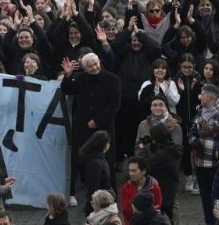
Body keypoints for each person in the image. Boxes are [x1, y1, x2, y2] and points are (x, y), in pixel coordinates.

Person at [61, 53, 121, 205]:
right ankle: (88, 198)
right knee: (82, 160)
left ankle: (110, 196)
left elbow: (114, 105)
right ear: (84, 68)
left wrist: (98, 120)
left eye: (96, 64)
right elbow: (68, 90)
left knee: (107, 161)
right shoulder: (80, 78)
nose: (94, 68)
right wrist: (68, 76)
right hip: (83, 128)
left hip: (104, 128)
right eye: (90, 66)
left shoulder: (113, 79)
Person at [189, 84, 219, 225]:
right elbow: (191, 131)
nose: (199, 97)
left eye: (201, 94)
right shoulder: (200, 110)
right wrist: (194, 141)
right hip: (199, 162)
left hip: (215, 163)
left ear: (209, 97)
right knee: (204, 198)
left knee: (215, 197)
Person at [119, 156, 163, 225]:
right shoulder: (125, 188)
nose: (131, 174)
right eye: (129, 170)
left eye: (134, 171)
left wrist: (137, 211)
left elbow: (157, 209)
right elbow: (126, 212)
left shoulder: (154, 187)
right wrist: (146, 212)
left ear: (143, 171)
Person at [78, 130, 113, 214]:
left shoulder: (97, 159)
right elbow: (93, 188)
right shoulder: (95, 163)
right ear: (104, 144)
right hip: (99, 207)